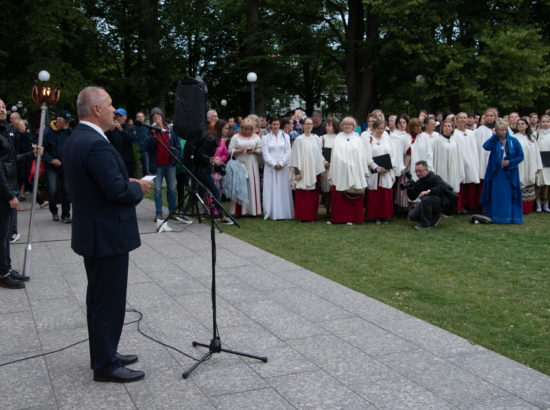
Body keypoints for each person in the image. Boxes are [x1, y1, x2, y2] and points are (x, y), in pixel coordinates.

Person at [63, 86, 152, 383]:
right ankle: (106, 364)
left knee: (100, 298)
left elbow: (98, 182)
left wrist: (121, 181)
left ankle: (105, 353)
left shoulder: (79, 137)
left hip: (95, 232)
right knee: (108, 301)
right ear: (97, 109)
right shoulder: (95, 143)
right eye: (111, 105)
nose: (115, 110)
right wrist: (136, 188)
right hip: (106, 234)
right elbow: (114, 191)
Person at [0, 98, 38, 288]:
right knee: (2, 234)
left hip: (8, 186)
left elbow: (11, 160)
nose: (2, 110)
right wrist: (10, 195)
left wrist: (32, 154)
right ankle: (3, 273)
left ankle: (6, 268)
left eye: (3, 107)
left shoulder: (4, 131)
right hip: (2, 191)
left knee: (6, 234)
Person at [479, 119, 524, 224]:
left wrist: (510, 162)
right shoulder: (494, 142)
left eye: (505, 129)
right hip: (496, 173)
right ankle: (495, 216)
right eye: (501, 130)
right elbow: (486, 146)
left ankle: (510, 217)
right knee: (496, 194)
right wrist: (494, 136)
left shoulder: (513, 141)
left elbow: (520, 156)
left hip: (510, 173)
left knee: (508, 194)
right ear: (497, 130)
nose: (504, 132)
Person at [327, 116, 369, 225]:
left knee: (352, 193)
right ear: (342, 125)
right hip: (340, 170)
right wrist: (344, 162)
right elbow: (335, 154)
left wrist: (354, 165)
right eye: (345, 124)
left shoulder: (358, 139)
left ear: (353, 126)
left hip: (354, 169)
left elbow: (361, 156)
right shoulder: (338, 138)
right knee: (340, 194)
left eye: (350, 124)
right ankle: (338, 218)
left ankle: (352, 218)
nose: (347, 126)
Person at [146, 107, 182, 222]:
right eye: (154, 115)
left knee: (172, 189)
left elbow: (178, 146)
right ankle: (159, 213)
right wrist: (152, 135)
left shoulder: (170, 129)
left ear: (162, 116)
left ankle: (172, 212)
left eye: (158, 114)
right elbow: (148, 148)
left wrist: (176, 156)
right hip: (157, 166)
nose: (156, 116)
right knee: (157, 190)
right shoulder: (150, 131)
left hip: (169, 165)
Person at [289, 117, 325, 221]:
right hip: (303, 170)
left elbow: (319, 154)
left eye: (311, 124)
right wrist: (297, 172)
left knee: (313, 194)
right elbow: (295, 156)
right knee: (303, 193)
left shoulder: (317, 139)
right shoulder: (299, 140)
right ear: (303, 125)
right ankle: (303, 216)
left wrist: (321, 168)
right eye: (307, 124)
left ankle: (312, 216)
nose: (309, 126)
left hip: (314, 170)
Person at [406, 160, 457, 230]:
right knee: (412, 216)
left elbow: (443, 186)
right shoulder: (419, 182)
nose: (417, 173)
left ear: (426, 170)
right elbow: (412, 197)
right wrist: (409, 188)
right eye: (416, 171)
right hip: (428, 203)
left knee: (425, 198)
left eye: (420, 171)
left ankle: (425, 224)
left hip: (441, 202)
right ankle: (434, 217)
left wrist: (428, 191)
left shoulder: (435, 177)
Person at [42, 109, 73, 223]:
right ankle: (54, 210)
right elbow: (43, 150)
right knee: (52, 190)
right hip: (52, 167)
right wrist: (51, 160)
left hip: (65, 165)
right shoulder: (47, 132)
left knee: (67, 190)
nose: (68, 124)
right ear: (59, 121)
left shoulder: (68, 131)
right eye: (66, 121)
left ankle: (66, 215)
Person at [228, 117, 262, 216]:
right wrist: (239, 151)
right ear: (242, 127)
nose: (247, 131)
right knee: (239, 187)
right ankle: (238, 211)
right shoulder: (236, 137)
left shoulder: (255, 137)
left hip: (251, 163)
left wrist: (254, 151)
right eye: (245, 128)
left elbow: (260, 149)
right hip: (240, 162)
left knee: (252, 186)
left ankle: (252, 211)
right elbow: (230, 150)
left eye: (249, 129)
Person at [262, 117, 294, 220]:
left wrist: (282, 163)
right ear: (270, 125)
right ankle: (271, 212)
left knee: (283, 188)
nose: (276, 126)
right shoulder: (265, 138)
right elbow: (265, 153)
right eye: (274, 124)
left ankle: (284, 212)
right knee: (271, 188)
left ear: (280, 125)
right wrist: (274, 164)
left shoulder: (286, 137)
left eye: (277, 124)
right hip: (270, 167)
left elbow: (288, 151)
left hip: (283, 167)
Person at [364, 119, 396, 223]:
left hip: (386, 170)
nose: (381, 131)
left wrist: (390, 166)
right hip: (375, 171)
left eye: (383, 128)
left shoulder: (386, 139)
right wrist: (376, 167)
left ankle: (384, 215)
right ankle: (375, 216)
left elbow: (392, 153)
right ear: (373, 128)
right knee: (375, 194)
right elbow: (367, 157)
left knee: (385, 194)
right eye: (378, 128)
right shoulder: (369, 140)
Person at [432, 119, 464, 202]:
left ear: (453, 128)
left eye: (449, 126)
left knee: (452, 185)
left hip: (453, 166)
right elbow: (434, 155)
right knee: (443, 185)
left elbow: (459, 155)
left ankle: (452, 208)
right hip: (442, 167)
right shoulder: (437, 140)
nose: (447, 128)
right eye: (445, 126)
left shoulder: (455, 140)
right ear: (442, 128)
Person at [454, 112, 480, 213]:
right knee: (460, 184)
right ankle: (459, 207)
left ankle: (469, 205)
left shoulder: (471, 133)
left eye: (465, 118)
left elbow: (474, 149)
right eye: (460, 118)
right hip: (459, 161)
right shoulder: (454, 133)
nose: (463, 120)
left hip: (470, 161)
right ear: (456, 120)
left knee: (469, 184)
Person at [515, 118, 542, 213]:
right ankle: (519, 208)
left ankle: (528, 207)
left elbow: (536, 153)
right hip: (520, 165)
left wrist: (538, 166)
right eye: (518, 124)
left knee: (529, 181)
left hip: (531, 164)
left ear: (527, 125)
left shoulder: (531, 138)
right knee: (520, 182)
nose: (520, 125)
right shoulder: (514, 137)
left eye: (523, 123)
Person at [106, 108, 136, 178]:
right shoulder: (111, 128)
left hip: (128, 162)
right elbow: (104, 139)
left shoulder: (130, 128)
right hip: (115, 161)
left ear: (125, 117)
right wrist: (110, 131)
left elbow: (131, 139)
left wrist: (121, 131)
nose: (118, 118)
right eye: (117, 116)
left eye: (121, 116)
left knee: (129, 181)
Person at [320, 118, 339, 217]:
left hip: (336, 167)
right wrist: (324, 162)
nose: (327, 127)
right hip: (326, 167)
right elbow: (319, 153)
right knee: (326, 188)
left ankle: (335, 208)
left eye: (330, 125)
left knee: (335, 188)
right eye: (326, 125)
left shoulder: (339, 138)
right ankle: (327, 209)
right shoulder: (322, 138)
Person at [535, 115, 550, 212]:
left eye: (547, 121)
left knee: (548, 185)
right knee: (538, 185)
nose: (545, 123)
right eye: (543, 121)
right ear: (540, 123)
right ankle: (538, 205)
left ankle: (546, 204)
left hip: (549, 164)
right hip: (540, 163)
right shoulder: (535, 134)